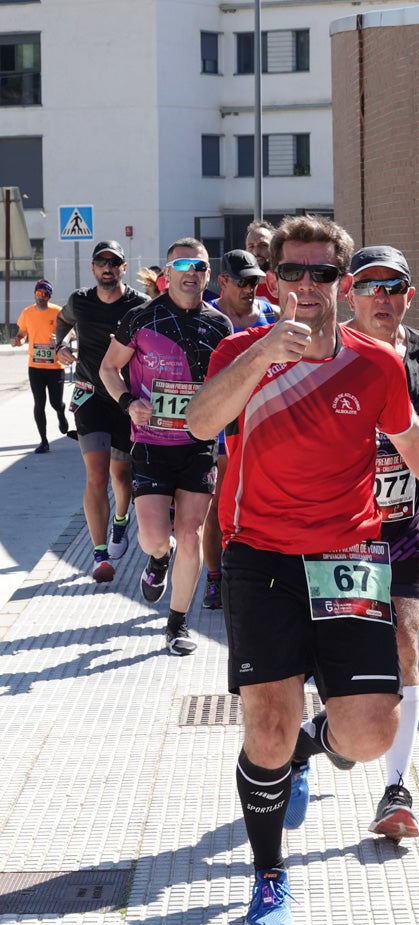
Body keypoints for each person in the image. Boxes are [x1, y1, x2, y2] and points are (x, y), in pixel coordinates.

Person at [186, 214, 419, 925]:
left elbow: (414, 439)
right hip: (260, 555)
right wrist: (263, 354)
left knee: (367, 733)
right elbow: (203, 425)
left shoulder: (374, 363)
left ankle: (308, 750)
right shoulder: (241, 349)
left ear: (340, 281)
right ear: (274, 283)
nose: (307, 286)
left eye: (321, 273)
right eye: (293, 274)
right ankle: (269, 875)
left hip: (349, 559)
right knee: (263, 728)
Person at [338, 244, 419, 840]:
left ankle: (395, 789)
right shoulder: (329, 353)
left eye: (393, 288)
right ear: (350, 294)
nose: (382, 298)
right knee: (336, 656)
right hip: (344, 532)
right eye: (370, 286)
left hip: (406, 523)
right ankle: (307, 742)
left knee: (405, 645)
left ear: (410, 296)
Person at [99, 238, 232, 654]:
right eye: (183, 265)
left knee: (190, 535)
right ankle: (159, 560)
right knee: (155, 538)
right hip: (152, 443)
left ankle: (177, 624)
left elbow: (229, 384)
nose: (192, 273)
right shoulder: (141, 318)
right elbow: (108, 367)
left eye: (200, 266)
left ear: (208, 275)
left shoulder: (220, 325)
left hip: (198, 444)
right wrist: (127, 402)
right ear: (167, 273)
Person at [56, 241, 149, 582]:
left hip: (126, 399)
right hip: (90, 396)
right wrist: (60, 346)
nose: (108, 268)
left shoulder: (140, 304)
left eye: (115, 263)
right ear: (93, 268)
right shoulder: (79, 300)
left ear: (124, 267)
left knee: (121, 477)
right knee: (96, 474)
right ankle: (99, 556)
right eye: (102, 262)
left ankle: (121, 523)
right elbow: (61, 320)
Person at [201, 249, 277, 611]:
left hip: (263, 420)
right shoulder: (207, 315)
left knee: (263, 499)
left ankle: (262, 575)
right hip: (222, 420)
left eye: (255, 282)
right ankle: (214, 578)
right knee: (221, 502)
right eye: (243, 281)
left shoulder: (270, 315)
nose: (250, 288)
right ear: (224, 281)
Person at [12, 279, 68, 454]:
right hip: (35, 366)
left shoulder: (57, 312)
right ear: (35, 294)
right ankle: (44, 441)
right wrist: (18, 340)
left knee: (55, 403)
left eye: (44, 294)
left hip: (55, 367)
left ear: (49, 296)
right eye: (38, 294)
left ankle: (61, 412)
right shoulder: (27, 313)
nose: (41, 297)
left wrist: (61, 340)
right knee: (39, 403)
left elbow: (70, 332)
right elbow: (21, 333)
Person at [245, 219, 279, 306]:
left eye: (263, 245)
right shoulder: (233, 288)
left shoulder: (286, 286)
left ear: (274, 249)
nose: (256, 252)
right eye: (251, 246)